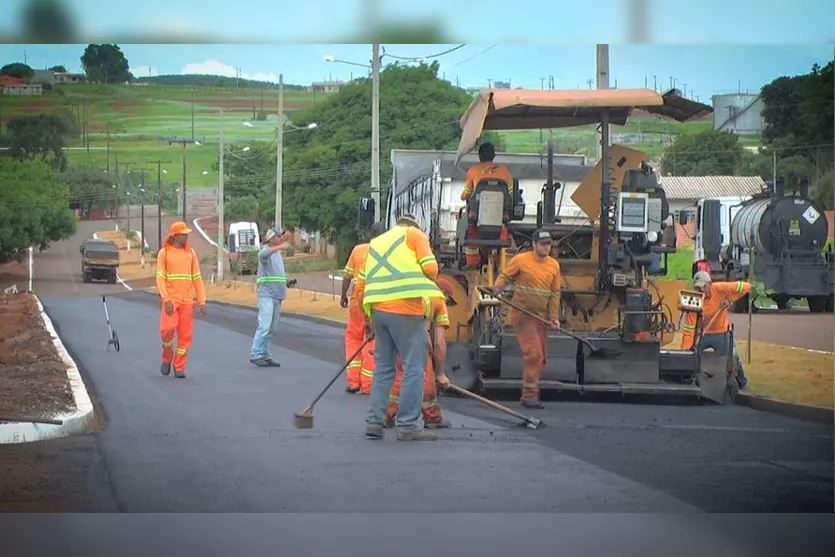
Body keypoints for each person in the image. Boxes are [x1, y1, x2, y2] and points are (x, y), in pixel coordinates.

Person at [356, 214, 446, 441]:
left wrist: (368, 318)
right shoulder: (415, 235)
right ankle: (407, 426)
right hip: (406, 309)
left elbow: (361, 283)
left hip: (378, 310)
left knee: (383, 368)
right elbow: (431, 269)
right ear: (415, 226)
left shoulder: (376, 243)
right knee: (414, 368)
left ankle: (374, 423)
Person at [488, 229, 561, 408]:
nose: (546, 247)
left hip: (541, 317)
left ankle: (532, 391)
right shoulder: (521, 260)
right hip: (523, 314)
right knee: (533, 353)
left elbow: (554, 294)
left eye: (548, 244)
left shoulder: (554, 265)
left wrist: (554, 317)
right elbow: (505, 276)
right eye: (543, 244)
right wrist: (497, 288)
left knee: (541, 358)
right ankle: (529, 396)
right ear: (534, 244)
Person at [385, 277, 455, 429]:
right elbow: (439, 343)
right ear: (445, 293)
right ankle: (432, 416)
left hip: (393, 325)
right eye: (449, 300)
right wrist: (440, 374)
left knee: (400, 374)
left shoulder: (416, 288)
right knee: (426, 376)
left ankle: (385, 415)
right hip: (414, 331)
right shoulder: (438, 300)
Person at [680, 271, 751, 389]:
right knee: (692, 355)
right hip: (702, 334)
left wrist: (730, 299)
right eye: (697, 287)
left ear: (709, 284)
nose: (700, 290)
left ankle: (741, 383)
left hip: (721, 332)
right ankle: (686, 379)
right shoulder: (694, 299)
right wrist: (686, 351)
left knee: (732, 356)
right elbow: (689, 329)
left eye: (702, 287)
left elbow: (746, 287)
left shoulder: (720, 288)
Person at [156, 221, 207, 379]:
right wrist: (166, 299)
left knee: (185, 336)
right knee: (167, 330)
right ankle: (166, 357)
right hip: (171, 300)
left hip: (187, 301)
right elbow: (160, 278)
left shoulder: (190, 253)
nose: (186, 237)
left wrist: (202, 300)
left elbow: (197, 277)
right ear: (175, 236)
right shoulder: (164, 253)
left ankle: (179, 367)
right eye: (183, 234)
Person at [341, 222, 387, 393]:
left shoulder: (358, 250)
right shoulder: (388, 252)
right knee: (371, 340)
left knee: (353, 338)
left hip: (357, 301)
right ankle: (368, 384)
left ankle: (353, 381)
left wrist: (343, 295)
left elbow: (347, 276)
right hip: (376, 301)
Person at [460, 142, 514, 269]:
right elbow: (510, 194)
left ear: (479, 156)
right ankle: (501, 262)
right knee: (504, 231)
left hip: (477, 216)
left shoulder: (473, 171)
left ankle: (472, 264)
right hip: (500, 216)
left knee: (469, 232)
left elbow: (466, 195)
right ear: (493, 156)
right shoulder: (505, 171)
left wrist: (464, 196)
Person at [249, 227, 291, 367]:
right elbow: (262, 254)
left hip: (278, 295)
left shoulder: (277, 254)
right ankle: (256, 353)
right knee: (264, 326)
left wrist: (286, 281)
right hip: (267, 294)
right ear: (271, 239)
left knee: (272, 329)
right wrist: (280, 247)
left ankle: (265, 354)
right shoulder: (266, 252)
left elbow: (278, 272)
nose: (281, 239)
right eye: (278, 237)